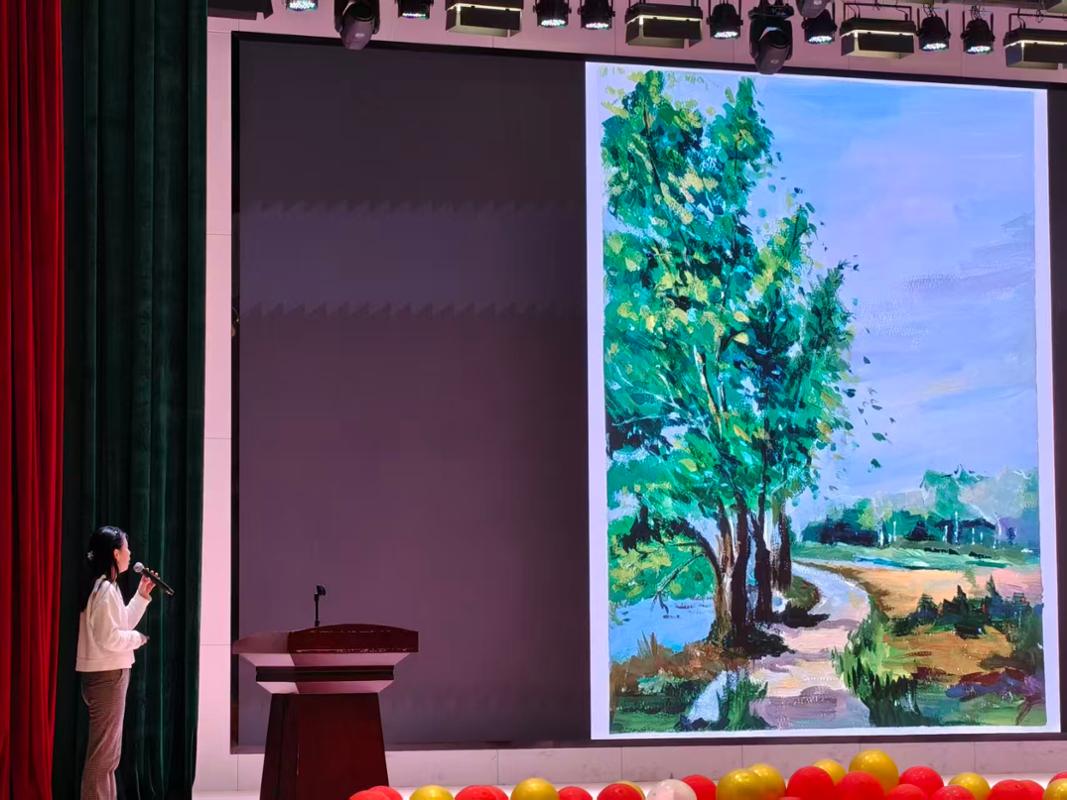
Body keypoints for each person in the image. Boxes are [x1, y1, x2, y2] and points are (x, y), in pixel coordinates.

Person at [76, 525, 157, 800]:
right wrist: (137, 639)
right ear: (115, 553)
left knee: (108, 756)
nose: (130, 553)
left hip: (106, 675)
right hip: (107, 676)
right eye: (126, 547)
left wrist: (142, 595)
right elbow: (109, 637)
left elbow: (119, 623)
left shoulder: (105, 587)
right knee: (103, 757)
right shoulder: (104, 589)